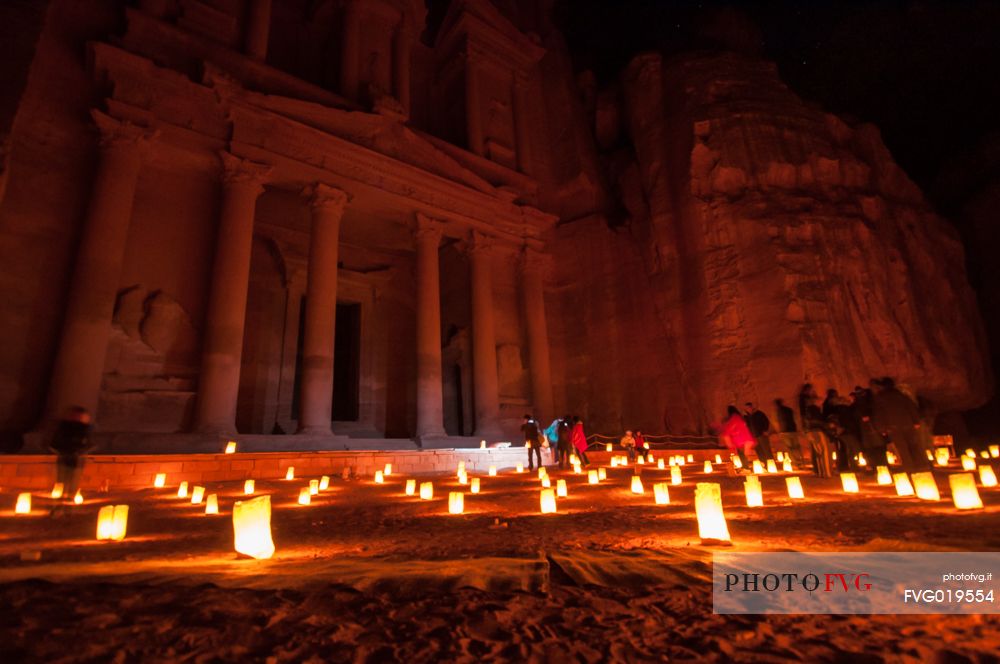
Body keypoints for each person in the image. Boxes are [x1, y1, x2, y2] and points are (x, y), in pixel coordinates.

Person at [871, 377, 927, 472]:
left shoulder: (880, 397)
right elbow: (911, 407)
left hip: (892, 427)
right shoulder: (901, 395)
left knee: (902, 448)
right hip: (907, 424)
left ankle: (909, 467)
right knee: (913, 445)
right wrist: (915, 421)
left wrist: (882, 428)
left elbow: (879, 414)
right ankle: (921, 465)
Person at [50, 406, 93, 512]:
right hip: (65, 456)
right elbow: (56, 441)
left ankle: (68, 506)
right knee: (61, 481)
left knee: (73, 482)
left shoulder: (84, 429)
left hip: (76, 459)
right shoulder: (65, 428)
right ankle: (59, 505)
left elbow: (89, 443)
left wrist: (82, 451)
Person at [774, 398, 802, 463]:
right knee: (796, 446)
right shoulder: (789, 410)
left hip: (785, 431)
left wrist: (779, 431)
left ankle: (795, 461)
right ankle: (799, 459)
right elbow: (795, 418)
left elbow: (778, 422)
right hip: (792, 430)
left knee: (790, 447)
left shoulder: (778, 411)